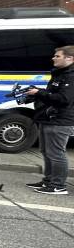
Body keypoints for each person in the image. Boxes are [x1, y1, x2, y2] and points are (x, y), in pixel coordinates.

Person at [24, 45, 74, 195]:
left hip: (60, 120)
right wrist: (39, 92)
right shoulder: (60, 73)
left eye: (57, 56)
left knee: (56, 153)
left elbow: (64, 99)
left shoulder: (71, 76)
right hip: (49, 117)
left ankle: (58, 185)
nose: (53, 58)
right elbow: (53, 93)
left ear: (69, 58)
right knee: (46, 151)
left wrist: (39, 93)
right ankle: (49, 180)